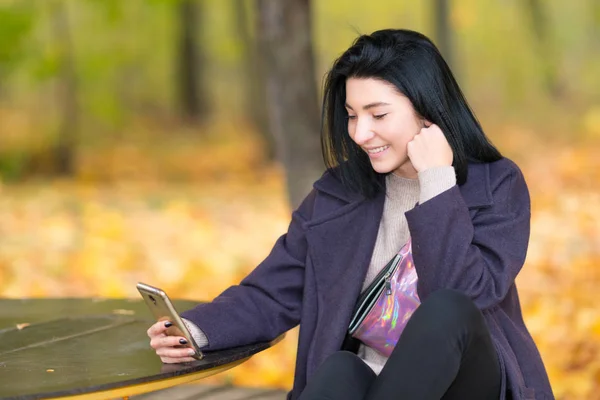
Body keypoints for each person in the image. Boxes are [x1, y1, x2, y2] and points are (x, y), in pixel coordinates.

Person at [146, 29, 553, 400]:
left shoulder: (495, 186)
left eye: (378, 115)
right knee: (340, 367)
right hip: (370, 385)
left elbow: (465, 292)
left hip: (465, 386)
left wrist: (437, 182)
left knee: (449, 307)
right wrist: (194, 331)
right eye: (352, 114)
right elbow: (272, 290)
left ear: (427, 111)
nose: (359, 134)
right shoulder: (340, 194)